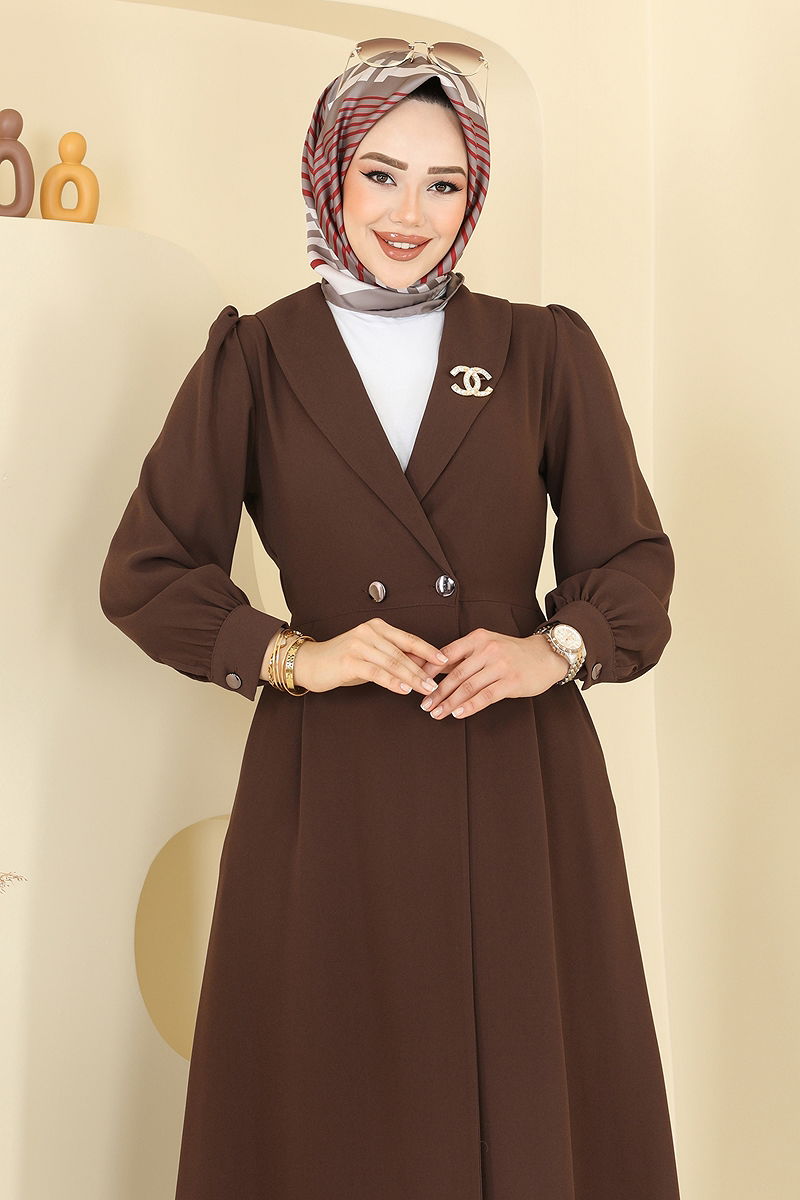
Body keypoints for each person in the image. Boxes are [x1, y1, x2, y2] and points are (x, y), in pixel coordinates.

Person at [99, 38, 681, 1200]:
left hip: (517, 775)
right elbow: (147, 568)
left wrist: (552, 650)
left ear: (473, 194)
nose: (408, 214)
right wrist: (290, 656)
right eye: (379, 174)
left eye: (441, 183)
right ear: (328, 172)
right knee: (340, 1101)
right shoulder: (255, 356)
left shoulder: (541, 349)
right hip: (333, 780)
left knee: (528, 1089)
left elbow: (629, 559)